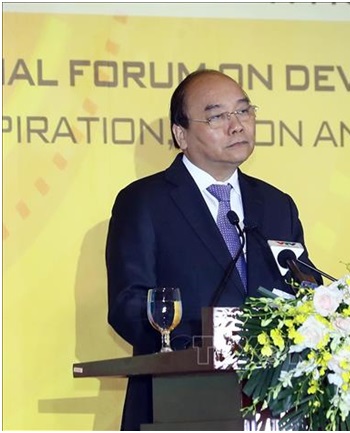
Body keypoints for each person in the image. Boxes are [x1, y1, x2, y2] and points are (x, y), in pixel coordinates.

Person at [105, 69, 319, 430]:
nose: (237, 126)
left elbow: (304, 289)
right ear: (181, 134)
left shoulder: (276, 204)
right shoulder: (144, 202)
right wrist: (202, 344)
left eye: (244, 111)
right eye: (218, 116)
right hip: (178, 401)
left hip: (273, 410)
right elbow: (128, 305)